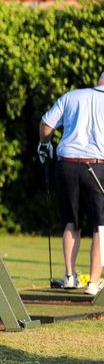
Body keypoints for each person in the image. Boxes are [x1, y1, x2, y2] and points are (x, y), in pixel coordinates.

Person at [38, 72, 104, 295]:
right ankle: (94, 282)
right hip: (97, 165)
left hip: (66, 165)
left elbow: (46, 125)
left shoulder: (72, 96)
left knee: (71, 222)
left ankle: (69, 276)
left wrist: (44, 144)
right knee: (101, 226)